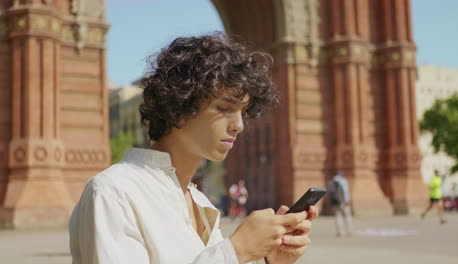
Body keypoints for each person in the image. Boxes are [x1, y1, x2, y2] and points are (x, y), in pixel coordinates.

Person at [69, 33, 319, 264]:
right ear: (179, 107)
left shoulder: (197, 200)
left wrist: (269, 260)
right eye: (224, 108)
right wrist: (235, 251)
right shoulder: (114, 192)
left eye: (243, 112)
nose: (239, 125)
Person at [327, 170, 353, 237]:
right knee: (347, 216)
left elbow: (329, 193)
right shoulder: (343, 181)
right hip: (343, 201)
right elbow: (345, 191)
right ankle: (349, 231)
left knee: (338, 216)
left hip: (335, 202)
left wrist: (331, 201)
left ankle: (340, 232)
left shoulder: (331, 182)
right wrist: (347, 200)